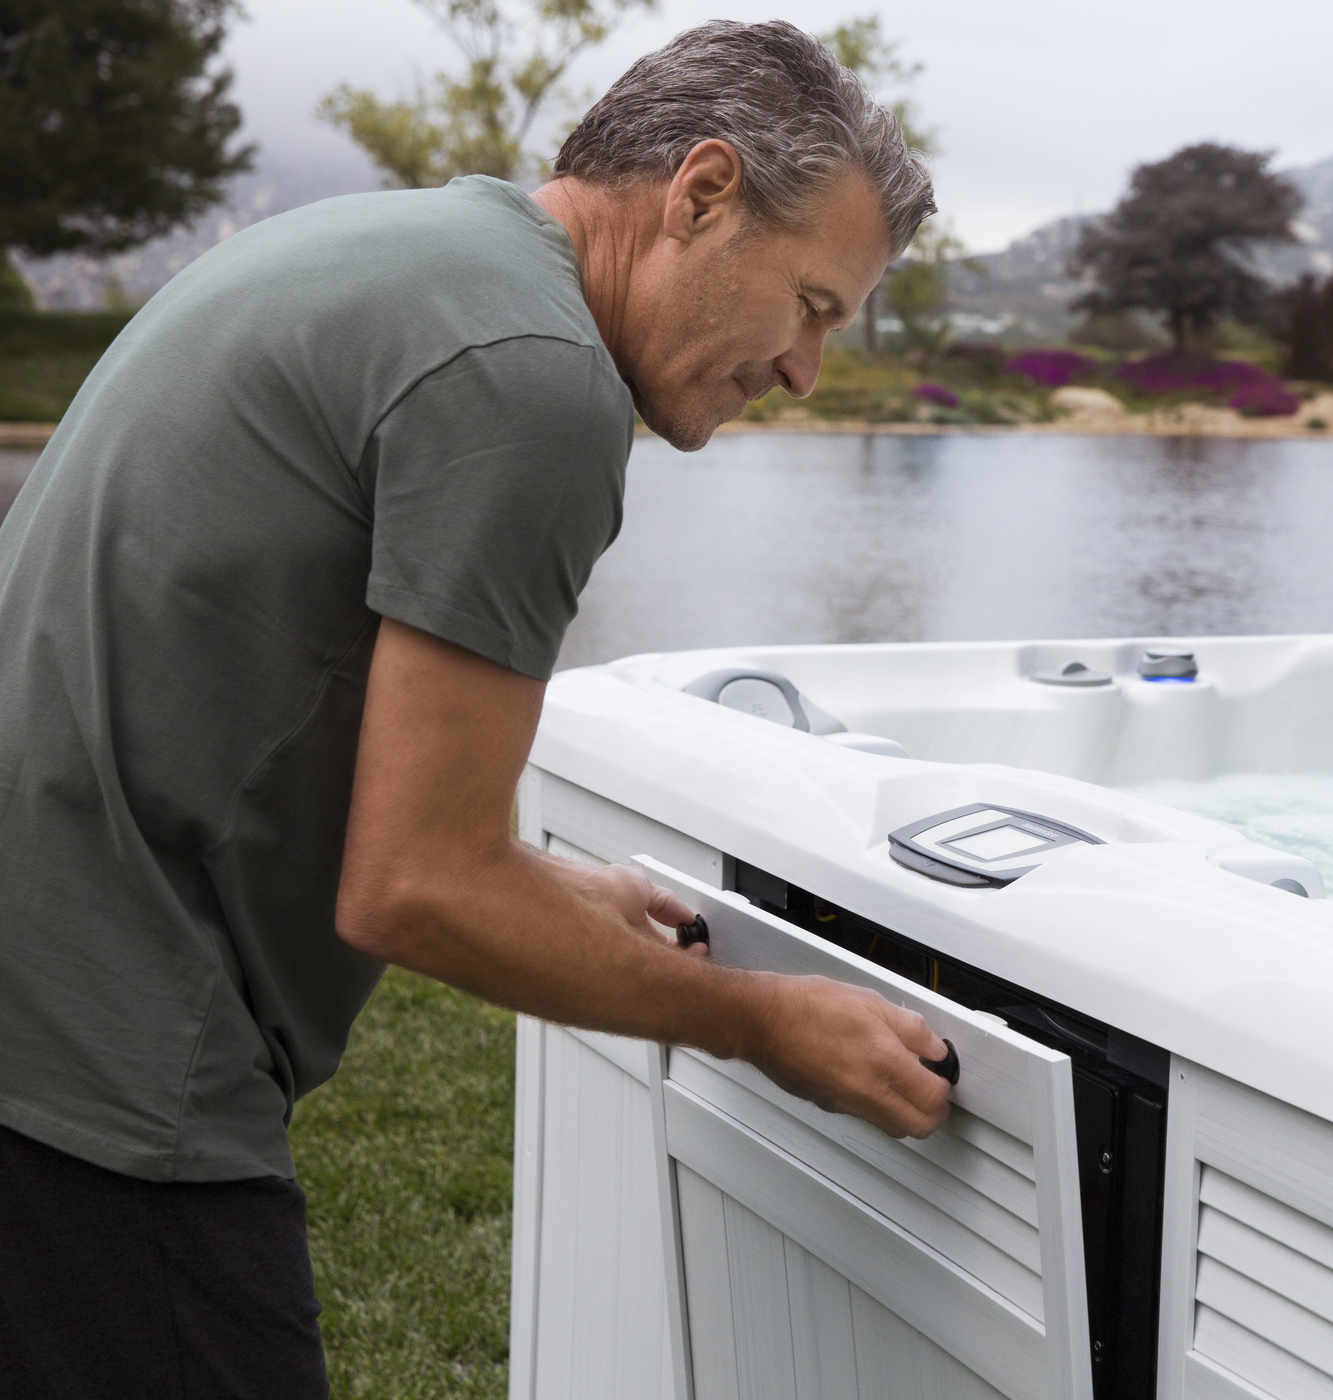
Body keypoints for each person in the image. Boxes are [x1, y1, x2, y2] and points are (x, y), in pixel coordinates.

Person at [0, 20, 951, 1397]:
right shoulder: (535, 377)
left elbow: (390, 804)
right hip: (96, 1063)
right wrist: (759, 1022)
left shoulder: (421, 257)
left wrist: (567, 898)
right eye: (811, 304)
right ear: (701, 194)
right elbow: (417, 887)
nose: (807, 371)